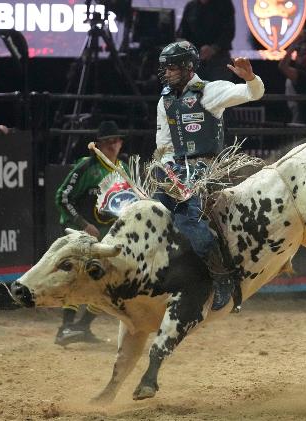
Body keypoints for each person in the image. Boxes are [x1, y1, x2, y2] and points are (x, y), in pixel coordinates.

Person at [154, 41, 264, 312]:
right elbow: (164, 143)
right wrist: (166, 170)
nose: (166, 73)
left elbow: (253, 94)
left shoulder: (211, 92)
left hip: (206, 167)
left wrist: (250, 78)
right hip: (176, 168)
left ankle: (222, 275)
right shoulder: (165, 99)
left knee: (187, 217)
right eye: (165, 68)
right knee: (155, 210)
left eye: (172, 67)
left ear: (188, 67)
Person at [53, 120, 129, 345]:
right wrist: (83, 224)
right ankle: (66, 327)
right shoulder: (87, 166)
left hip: (105, 235)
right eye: (106, 143)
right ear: (98, 145)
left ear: (120, 143)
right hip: (80, 231)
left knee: (108, 280)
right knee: (78, 276)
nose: (111, 146)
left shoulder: (122, 170)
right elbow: (62, 197)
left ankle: (82, 327)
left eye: (115, 141)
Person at [176, 0, 235, 82]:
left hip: (218, 59)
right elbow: (182, 33)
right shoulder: (191, 6)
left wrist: (213, 49)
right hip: (194, 59)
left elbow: (229, 32)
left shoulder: (224, 4)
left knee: (218, 90)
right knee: (195, 91)